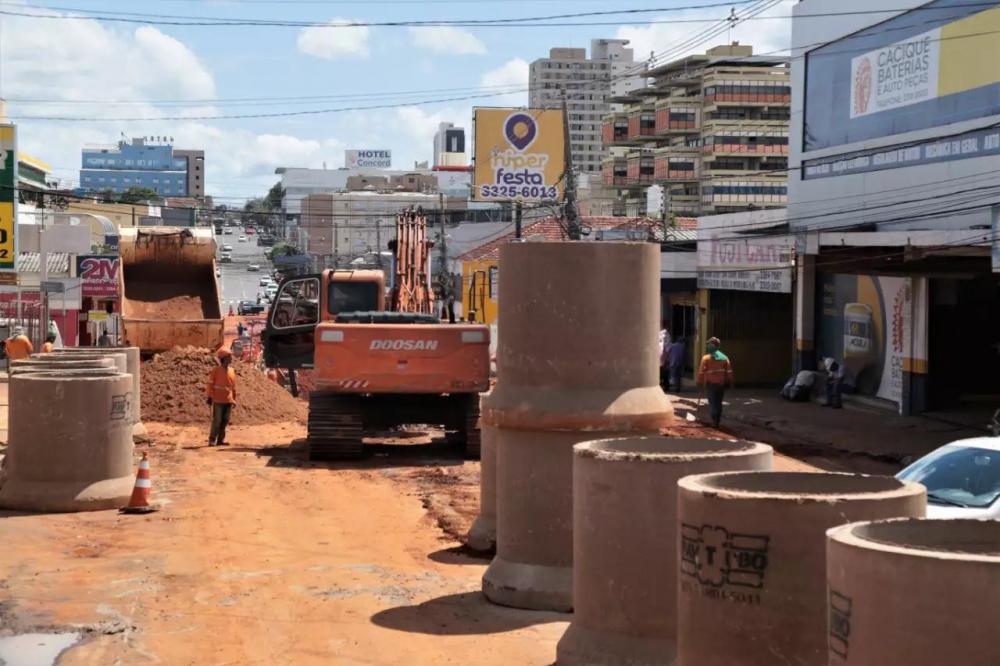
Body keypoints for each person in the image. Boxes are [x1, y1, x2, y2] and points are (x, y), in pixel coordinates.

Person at [697, 336, 734, 428]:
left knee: (713, 402)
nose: (708, 346)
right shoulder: (725, 358)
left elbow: (701, 372)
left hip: (711, 385)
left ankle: (714, 421)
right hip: (721, 385)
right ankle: (717, 421)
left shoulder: (705, 358)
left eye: (709, 344)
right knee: (718, 402)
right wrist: (731, 383)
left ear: (713, 345)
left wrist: (699, 382)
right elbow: (730, 372)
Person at [206, 348, 237, 447]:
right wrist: (209, 396)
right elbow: (210, 384)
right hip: (218, 400)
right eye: (229, 357)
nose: (231, 358)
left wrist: (234, 399)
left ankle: (220, 440)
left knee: (225, 421)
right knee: (217, 420)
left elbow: (233, 387)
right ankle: (212, 439)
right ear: (224, 358)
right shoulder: (216, 371)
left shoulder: (232, 371)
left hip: (228, 400)